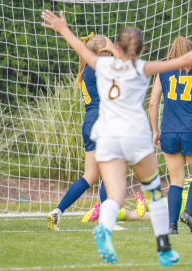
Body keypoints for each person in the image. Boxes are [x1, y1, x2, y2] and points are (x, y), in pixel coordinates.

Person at [41, 9, 192, 266]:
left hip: (107, 134)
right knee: (154, 193)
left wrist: (63, 28)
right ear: (140, 49)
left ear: (116, 49)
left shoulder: (101, 64)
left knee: (114, 195)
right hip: (133, 135)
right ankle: (164, 248)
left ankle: (105, 227)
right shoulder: (143, 67)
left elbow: (82, 48)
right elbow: (188, 57)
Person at [149, 36, 192, 235]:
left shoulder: (162, 70)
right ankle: (188, 212)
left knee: (176, 180)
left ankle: (172, 226)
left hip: (169, 132)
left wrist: (155, 131)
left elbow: (153, 103)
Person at [46, 32, 113, 231]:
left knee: (90, 177)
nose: (110, 55)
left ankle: (57, 212)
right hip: (102, 122)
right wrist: (112, 48)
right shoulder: (98, 66)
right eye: (107, 52)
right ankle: (106, 222)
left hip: (90, 123)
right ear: (100, 53)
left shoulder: (88, 69)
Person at [82, 168, 192, 225]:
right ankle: (119, 210)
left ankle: (109, 210)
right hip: (178, 210)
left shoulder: (191, 180)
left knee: (139, 215)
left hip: (167, 200)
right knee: (148, 217)